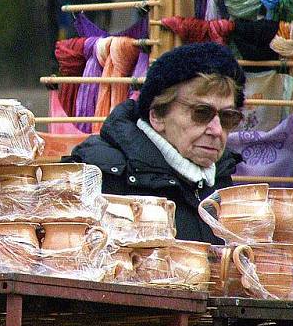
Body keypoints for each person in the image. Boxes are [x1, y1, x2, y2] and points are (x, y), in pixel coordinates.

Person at [66, 42, 245, 243]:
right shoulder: (100, 174)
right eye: (201, 113)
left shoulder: (220, 177)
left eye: (228, 117)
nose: (217, 130)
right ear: (158, 116)